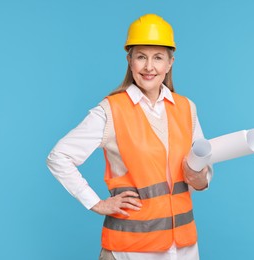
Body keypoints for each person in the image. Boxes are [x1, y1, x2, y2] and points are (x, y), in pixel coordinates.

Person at [46, 13, 213, 260]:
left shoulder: (187, 108)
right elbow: (58, 157)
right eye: (141, 57)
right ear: (129, 61)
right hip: (130, 250)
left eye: (158, 57)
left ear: (170, 63)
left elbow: (202, 174)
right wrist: (96, 203)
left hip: (183, 248)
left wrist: (200, 178)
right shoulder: (111, 111)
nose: (149, 67)